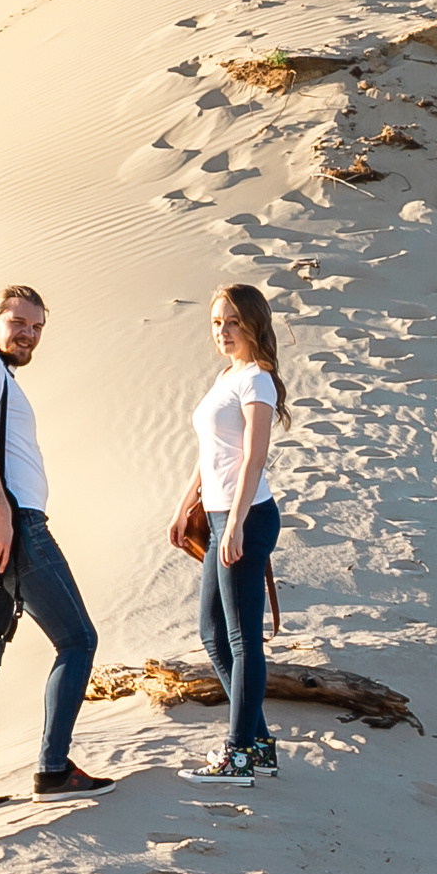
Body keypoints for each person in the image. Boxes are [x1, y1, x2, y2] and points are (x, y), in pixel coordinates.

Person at [0, 285, 113, 818]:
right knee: (78, 640)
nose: (28, 334)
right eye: (19, 322)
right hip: (12, 528)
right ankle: (53, 770)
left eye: (37, 328)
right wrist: (2, 515)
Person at [169, 283, 290, 785]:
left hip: (247, 517)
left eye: (233, 322)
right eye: (217, 322)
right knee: (212, 633)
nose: (223, 331)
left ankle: (238, 754)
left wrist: (236, 523)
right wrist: (184, 507)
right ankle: (258, 742)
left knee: (242, 642)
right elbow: (212, 454)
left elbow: (253, 457)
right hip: (219, 515)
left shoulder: (257, 381)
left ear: (255, 324)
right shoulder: (228, 375)